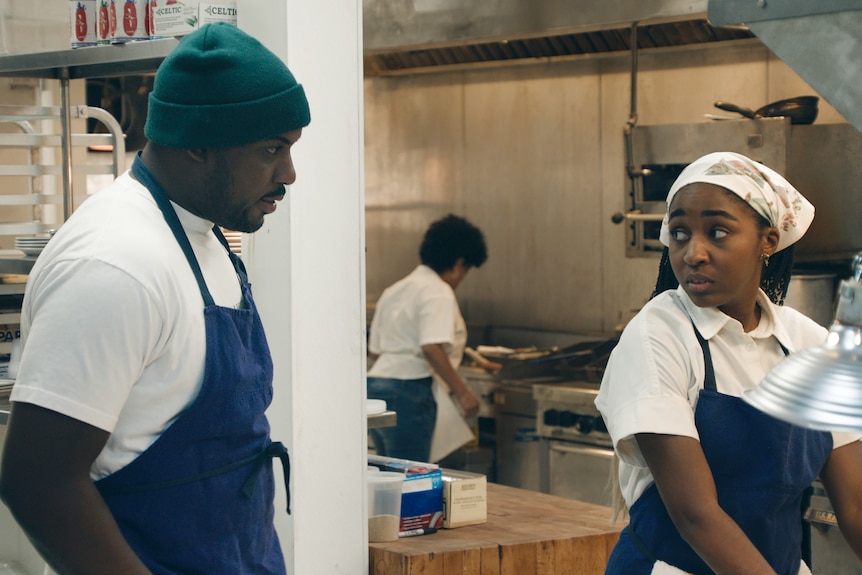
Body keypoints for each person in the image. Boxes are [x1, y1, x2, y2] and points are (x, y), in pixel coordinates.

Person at [0, 23, 310, 575]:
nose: (288, 174)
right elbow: (39, 481)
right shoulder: (116, 265)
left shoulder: (203, 233)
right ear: (198, 145)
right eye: (271, 149)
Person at [595, 152, 862, 575]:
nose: (693, 253)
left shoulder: (808, 343)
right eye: (680, 233)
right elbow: (696, 514)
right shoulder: (658, 335)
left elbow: (854, 502)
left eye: (717, 232)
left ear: (768, 241)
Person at [367, 214, 493, 463]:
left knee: (388, 472)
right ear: (458, 264)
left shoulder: (396, 289)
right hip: (410, 391)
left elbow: (375, 350)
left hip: (376, 386)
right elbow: (431, 346)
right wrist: (463, 393)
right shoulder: (438, 291)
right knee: (410, 476)